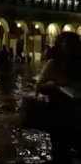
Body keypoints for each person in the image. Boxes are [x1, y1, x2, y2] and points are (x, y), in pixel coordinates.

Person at [37, 32, 81, 163]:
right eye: (67, 44)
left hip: (77, 115)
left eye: (73, 44)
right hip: (60, 116)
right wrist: (51, 85)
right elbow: (40, 86)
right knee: (61, 152)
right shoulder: (53, 64)